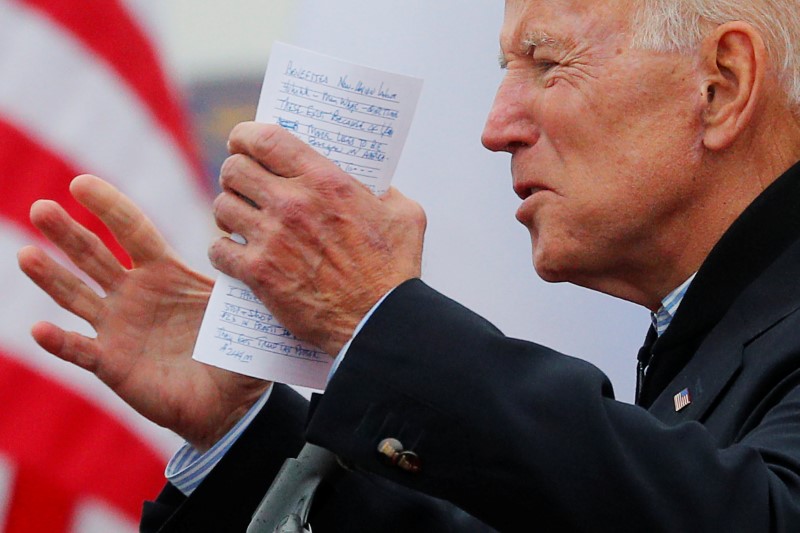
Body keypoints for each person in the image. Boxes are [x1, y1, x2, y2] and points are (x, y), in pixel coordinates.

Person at [17, 0, 800, 530]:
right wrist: (240, 425)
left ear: (721, 85)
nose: (496, 127)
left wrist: (379, 315)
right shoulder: (710, 336)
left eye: (546, 63)